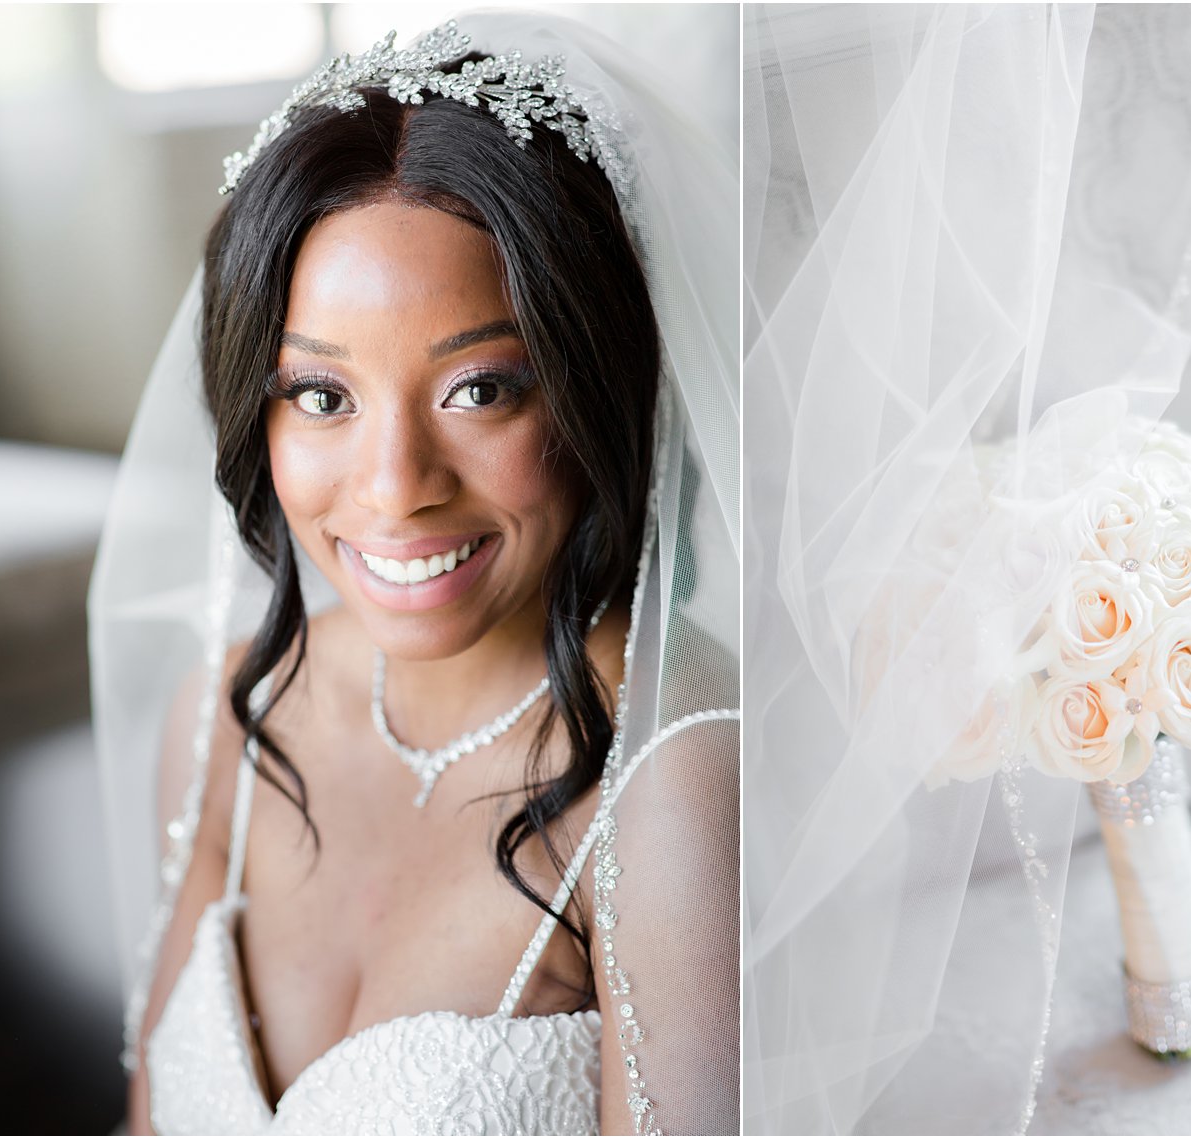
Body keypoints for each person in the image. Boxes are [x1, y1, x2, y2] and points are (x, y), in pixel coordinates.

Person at [90, 13, 739, 1135]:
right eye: (322, 396)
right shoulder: (226, 722)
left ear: (593, 386)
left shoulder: (665, 769)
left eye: (479, 388)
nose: (395, 488)